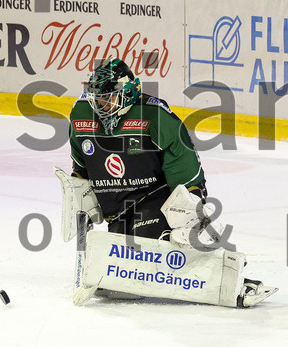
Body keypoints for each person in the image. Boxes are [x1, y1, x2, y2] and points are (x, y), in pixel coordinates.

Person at [62, 57, 275, 307]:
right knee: (117, 279)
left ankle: (234, 280)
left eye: (108, 98)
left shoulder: (155, 116)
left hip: (156, 200)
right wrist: (80, 196)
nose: (101, 104)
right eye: (98, 98)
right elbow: (82, 165)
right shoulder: (81, 114)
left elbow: (187, 170)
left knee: (157, 255)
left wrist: (190, 213)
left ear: (128, 92)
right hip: (118, 212)